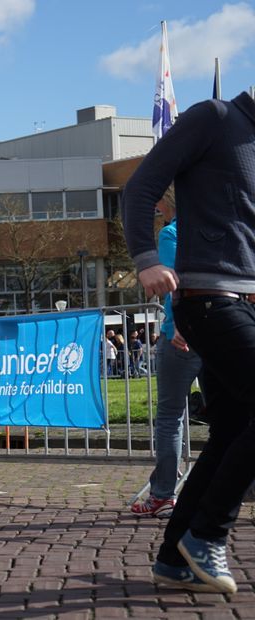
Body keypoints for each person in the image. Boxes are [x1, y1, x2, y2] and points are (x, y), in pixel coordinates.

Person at [122, 90, 255, 594]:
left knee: (231, 431)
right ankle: (207, 533)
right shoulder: (214, 118)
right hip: (206, 297)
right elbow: (140, 187)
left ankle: (174, 559)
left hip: (246, 300)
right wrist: (146, 258)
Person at [131, 189, 203, 520]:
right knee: (231, 414)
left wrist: (179, 326)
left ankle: (162, 495)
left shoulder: (172, 234)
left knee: (171, 416)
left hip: (184, 335)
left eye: (159, 200)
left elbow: (175, 283)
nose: (156, 206)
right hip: (223, 330)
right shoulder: (214, 227)